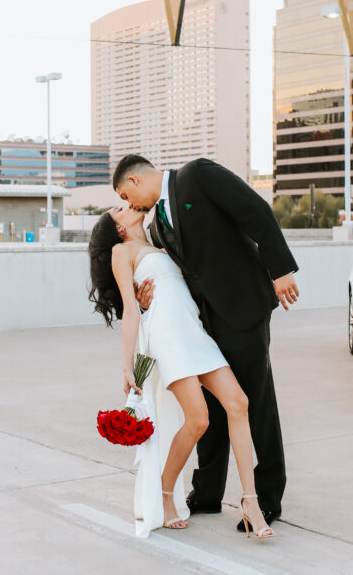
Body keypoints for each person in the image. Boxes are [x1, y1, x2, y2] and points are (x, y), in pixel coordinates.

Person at [113, 155, 299, 531]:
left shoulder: (197, 175)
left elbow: (256, 211)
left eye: (125, 195)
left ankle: (266, 497)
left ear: (134, 181)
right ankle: (208, 492)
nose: (129, 204)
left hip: (243, 307)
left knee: (255, 403)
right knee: (211, 410)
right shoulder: (157, 227)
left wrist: (281, 270)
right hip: (202, 324)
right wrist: (145, 300)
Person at [88, 206, 274, 539]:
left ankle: (251, 502)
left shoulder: (159, 243)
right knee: (198, 419)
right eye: (120, 209)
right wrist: (127, 366)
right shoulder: (122, 252)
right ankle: (164, 493)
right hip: (167, 335)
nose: (128, 206)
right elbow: (130, 310)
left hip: (194, 330)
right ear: (118, 229)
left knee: (238, 403)